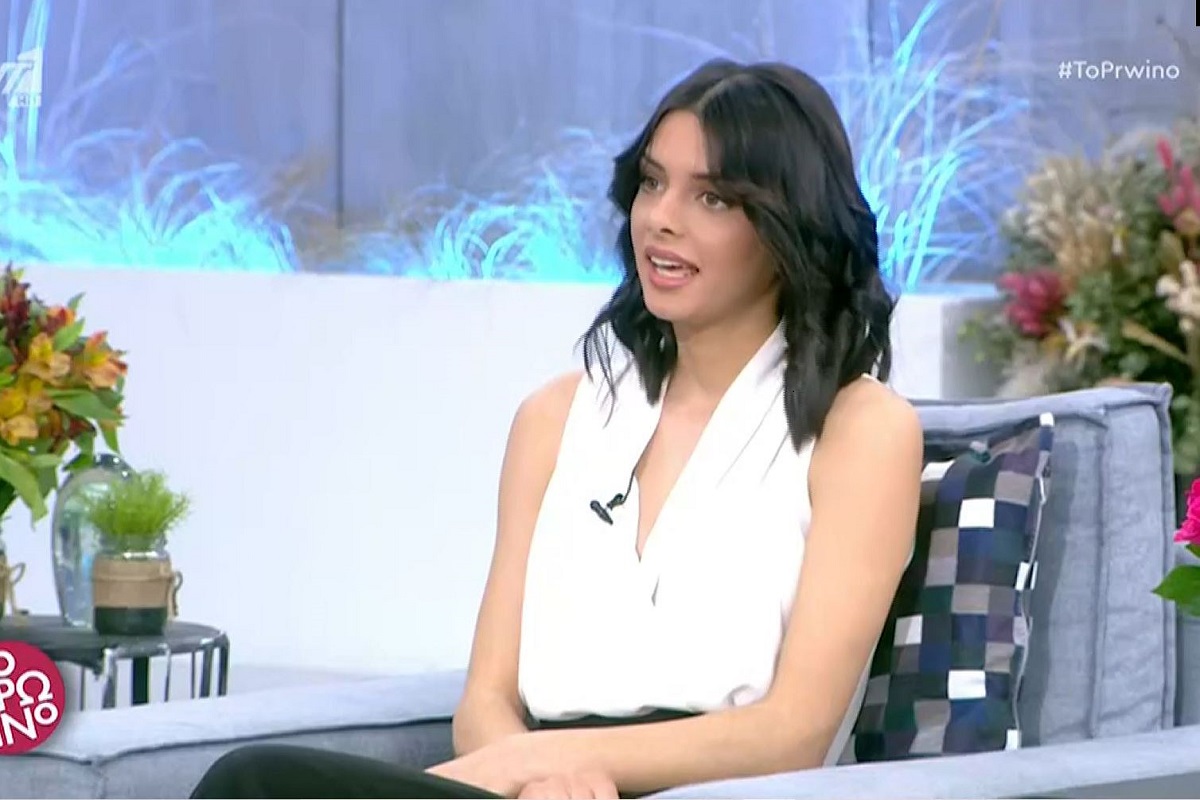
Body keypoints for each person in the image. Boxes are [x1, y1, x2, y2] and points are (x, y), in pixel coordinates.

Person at [190, 57, 923, 800]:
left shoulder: (862, 431)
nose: (661, 218)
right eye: (651, 183)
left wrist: (548, 766)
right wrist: (541, 778)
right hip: (540, 791)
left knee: (255, 786)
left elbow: (792, 733)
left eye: (711, 197)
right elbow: (486, 701)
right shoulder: (554, 419)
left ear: (789, 227)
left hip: (710, 792)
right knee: (258, 781)